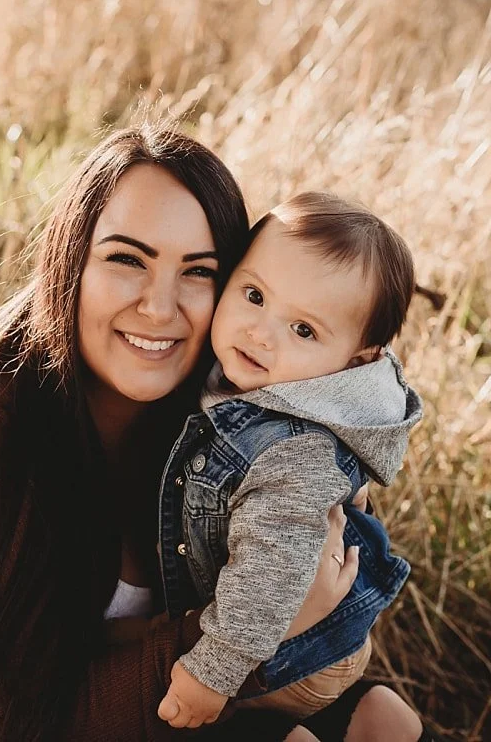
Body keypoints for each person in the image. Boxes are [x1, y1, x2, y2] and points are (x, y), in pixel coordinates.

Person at [0, 124, 425, 741]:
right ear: (70, 260)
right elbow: (1, 727)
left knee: (380, 722)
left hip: (165, 707)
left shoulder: (219, 409)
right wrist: (255, 635)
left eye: (198, 271)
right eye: (127, 260)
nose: (159, 307)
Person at [152, 192, 423, 732]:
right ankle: (370, 719)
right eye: (254, 295)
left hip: (297, 651)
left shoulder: (293, 448)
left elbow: (271, 571)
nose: (260, 332)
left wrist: (213, 673)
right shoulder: (252, 380)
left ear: (354, 362)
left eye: (303, 330)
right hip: (296, 636)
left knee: (220, 728)